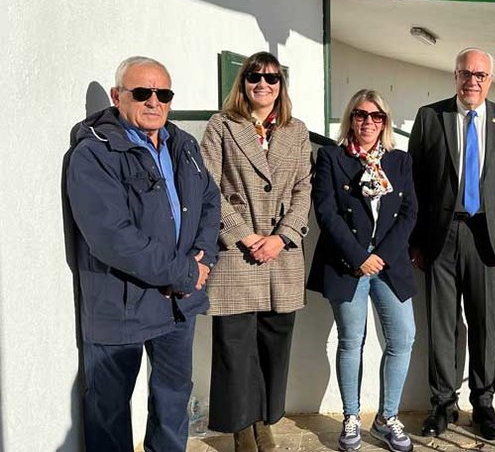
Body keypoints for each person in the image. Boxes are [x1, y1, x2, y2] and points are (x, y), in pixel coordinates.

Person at [67, 56, 219, 452]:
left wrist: (202, 259)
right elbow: (112, 237)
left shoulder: (182, 144)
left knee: (172, 403)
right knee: (110, 414)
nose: (154, 102)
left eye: (163, 94)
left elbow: (208, 202)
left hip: (177, 306)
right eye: (142, 93)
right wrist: (186, 273)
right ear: (118, 96)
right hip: (121, 305)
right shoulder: (94, 154)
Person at [408, 48, 495, 441]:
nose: (472, 81)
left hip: (487, 237)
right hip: (441, 237)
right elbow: (416, 184)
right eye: (465, 73)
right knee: (441, 324)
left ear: (490, 79)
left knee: (483, 323)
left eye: (480, 74)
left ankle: (483, 404)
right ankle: (443, 404)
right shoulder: (431, 117)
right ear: (455, 76)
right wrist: (416, 240)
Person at [199, 51, 312, 451]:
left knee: (273, 347)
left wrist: (282, 236)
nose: (262, 84)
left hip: (281, 255)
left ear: (281, 85)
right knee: (234, 348)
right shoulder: (222, 126)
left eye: (271, 78)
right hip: (237, 253)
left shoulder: (296, 130)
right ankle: (240, 429)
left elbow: (303, 189)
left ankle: (265, 420)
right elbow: (208, 187)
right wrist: (245, 235)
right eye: (254, 77)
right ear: (242, 82)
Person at [307, 89, 419, 452]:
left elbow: (409, 213)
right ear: (349, 118)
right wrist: (359, 257)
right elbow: (326, 211)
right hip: (347, 262)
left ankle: (387, 419)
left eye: (376, 116)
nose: (368, 122)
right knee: (351, 341)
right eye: (360, 115)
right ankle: (352, 416)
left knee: (403, 338)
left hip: (389, 263)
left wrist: (380, 256)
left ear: (385, 122)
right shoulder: (330, 157)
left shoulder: (400, 162)